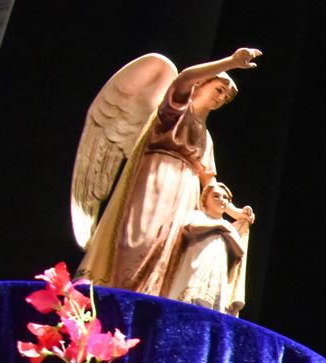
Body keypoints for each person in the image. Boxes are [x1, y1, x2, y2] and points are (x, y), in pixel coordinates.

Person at [78, 49, 262, 296]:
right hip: (157, 179)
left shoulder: (206, 137)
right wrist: (231, 62)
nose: (221, 97)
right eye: (219, 89)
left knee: (169, 250)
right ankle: (118, 294)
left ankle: (146, 300)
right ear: (202, 84)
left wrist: (233, 211)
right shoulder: (175, 111)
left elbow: (209, 181)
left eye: (226, 96)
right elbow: (184, 79)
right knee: (139, 240)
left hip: (186, 192)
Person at [163, 181, 253, 314]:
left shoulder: (227, 225)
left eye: (225, 198)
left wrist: (226, 230)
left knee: (211, 300)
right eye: (216, 196)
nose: (221, 200)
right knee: (190, 296)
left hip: (217, 269)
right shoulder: (199, 215)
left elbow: (240, 251)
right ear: (205, 199)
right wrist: (218, 226)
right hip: (197, 263)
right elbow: (192, 227)